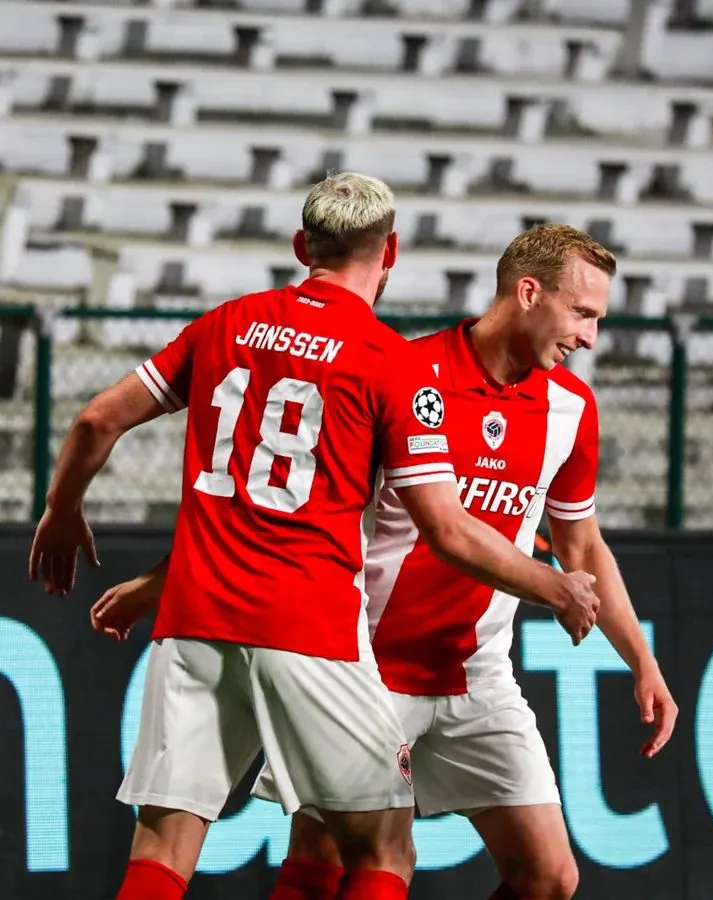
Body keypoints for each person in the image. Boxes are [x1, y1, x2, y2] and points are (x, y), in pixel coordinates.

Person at [29, 177, 600, 900]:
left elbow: (95, 421)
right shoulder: (394, 362)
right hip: (311, 624)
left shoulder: (226, 325)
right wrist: (556, 586)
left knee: (162, 849)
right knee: (384, 851)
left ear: (302, 247)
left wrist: (61, 509)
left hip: (198, 618)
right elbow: (447, 529)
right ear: (389, 252)